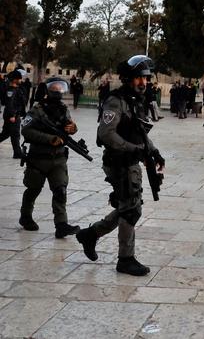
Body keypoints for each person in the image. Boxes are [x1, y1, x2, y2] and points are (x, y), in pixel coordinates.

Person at [75, 55, 165, 276]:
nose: (143, 83)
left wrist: (154, 152)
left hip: (131, 161)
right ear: (127, 78)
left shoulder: (134, 100)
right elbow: (105, 134)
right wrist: (134, 149)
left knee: (129, 207)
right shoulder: (116, 101)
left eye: (145, 78)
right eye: (138, 78)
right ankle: (125, 259)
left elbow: (139, 132)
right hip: (118, 162)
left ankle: (91, 234)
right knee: (131, 209)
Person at [19, 77, 81, 238]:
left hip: (58, 159)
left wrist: (73, 128)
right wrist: (49, 139)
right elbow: (25, 130)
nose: (58, 91)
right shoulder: (36, 110)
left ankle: (61, 225)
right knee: (33, 190)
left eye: (60, 88)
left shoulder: (63, 109)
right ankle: (25, 217)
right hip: (38, 159)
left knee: (60, 190)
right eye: (54, 89)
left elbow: (69, 126)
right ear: (47, 90)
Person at [0, 70, 27, 158]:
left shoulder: (16, 89)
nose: (21, 80)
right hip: (12, 115)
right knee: (15, 134)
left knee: (6, 133)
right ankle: (17, 153)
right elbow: (9, 104)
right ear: (15, 80)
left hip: (14, 114)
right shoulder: (11, 90)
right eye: (19, 78)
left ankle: (17, 152)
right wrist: (12, 115)